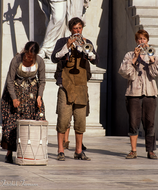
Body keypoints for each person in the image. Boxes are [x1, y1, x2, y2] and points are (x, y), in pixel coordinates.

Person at [51, 17, 98, 161]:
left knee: (80, 121)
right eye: (75, 28)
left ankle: (78, 151)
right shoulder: (61, 42)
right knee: (63, 120)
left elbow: (95, 59)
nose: (77, 31)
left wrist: (85, 49)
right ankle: (61, 151)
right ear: (71, 29)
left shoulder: (87, 42)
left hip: (81, 87)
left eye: (79, 28)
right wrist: (67, 45)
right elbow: (54, 58)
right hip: (65, 86)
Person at [118, 29, 158, 159]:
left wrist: (151, 58)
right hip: (133, 93)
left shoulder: (153, 55)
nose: (141, 41)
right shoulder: (129, 55)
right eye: (139, 39)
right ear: (136, 41)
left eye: (144, 39)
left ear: (147, 41)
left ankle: (150, 151)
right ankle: (133, 150)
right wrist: (134, 58)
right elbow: (124, 72)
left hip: (149, 93)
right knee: (133, 122)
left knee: (150, 122)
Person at [1, 41, 46, 163]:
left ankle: (27, 152)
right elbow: (10, 80)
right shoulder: (16, 60)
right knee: (12, 122)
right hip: (15, 92)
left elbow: (42, 81)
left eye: (32, 55)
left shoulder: (40, 61)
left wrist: (39, 96)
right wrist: (14, 98)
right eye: (27, 54)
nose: (29, 57)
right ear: (25, 51)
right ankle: (9, 152)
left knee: (32, 119)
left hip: (31, 93)